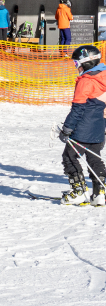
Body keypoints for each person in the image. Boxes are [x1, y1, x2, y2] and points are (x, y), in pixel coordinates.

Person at [57, 46, 106, 206]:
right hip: (99, 128)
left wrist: (67, 129)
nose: (76, 66)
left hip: (82, 129)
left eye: (77, 63)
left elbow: (77, 109)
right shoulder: (103, 77)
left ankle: (78, 191)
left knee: (69, 157)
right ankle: (100, 193)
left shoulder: (86, 82)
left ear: (86, 63)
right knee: (94, 158)